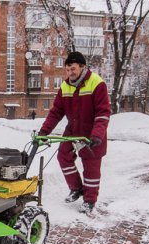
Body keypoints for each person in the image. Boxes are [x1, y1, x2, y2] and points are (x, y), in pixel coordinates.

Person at [38, 51, 111, 215]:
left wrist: (97, 135)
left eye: (73, 69)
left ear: (82, 67)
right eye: (68, 70)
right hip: (73, 130)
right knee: (63, 156)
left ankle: (89, 201)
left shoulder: (97, 83)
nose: (70, 73)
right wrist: (44, 131)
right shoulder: (65, 86)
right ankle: (77, 188)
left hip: (91, 133)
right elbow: (56, 111)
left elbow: (103, 113)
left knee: (91, 167)